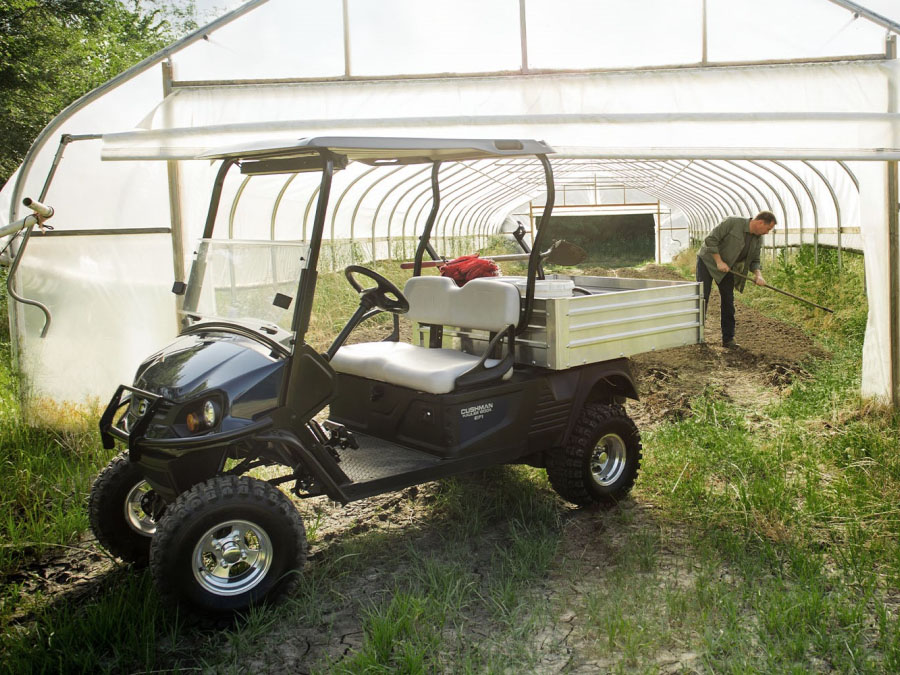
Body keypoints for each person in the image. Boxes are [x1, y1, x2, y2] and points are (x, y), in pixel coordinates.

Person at [696, 211, 777, 349]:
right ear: (760, 223)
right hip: (708, 262)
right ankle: (697, 336)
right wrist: (719, 261)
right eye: (768, 229)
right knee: (703, 297)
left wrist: (758, 275)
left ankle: (728, 339)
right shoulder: (732, 222)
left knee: (728, 301)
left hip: (728, 268)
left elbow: (755, 260)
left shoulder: (758, 239)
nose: (767, 232)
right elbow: (711, 240)